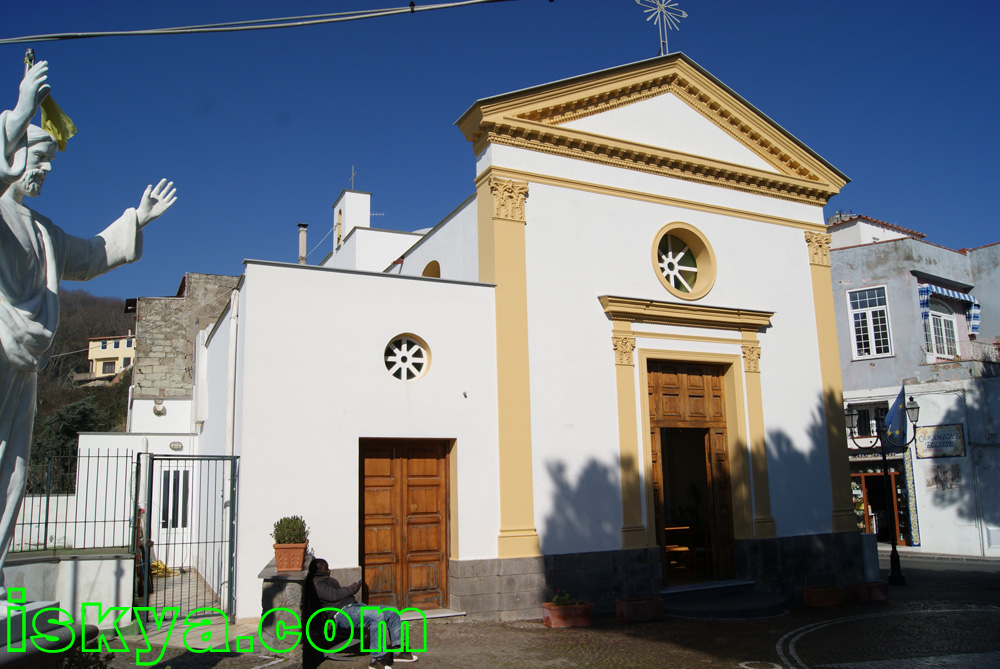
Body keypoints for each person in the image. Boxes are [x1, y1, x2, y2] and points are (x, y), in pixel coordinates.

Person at [0, 60, 177, 605]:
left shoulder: (39, 229)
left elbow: (91, 254)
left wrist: (136, 221)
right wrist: (21, 111)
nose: (46, 170)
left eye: (50, 161)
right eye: (39, 157)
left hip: (24, 361)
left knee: (12, 468)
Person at [309, 558, 419, 668]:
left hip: (354, 607)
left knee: (392, 612)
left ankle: (397, 650)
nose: (329, 571)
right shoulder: (317, 584)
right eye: (326, 569)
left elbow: (338, 593)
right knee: (376, 616)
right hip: (342, 614)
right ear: (318, 570)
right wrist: (354, 587)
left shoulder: (325, 580)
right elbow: (335, 595)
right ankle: (376, 660)